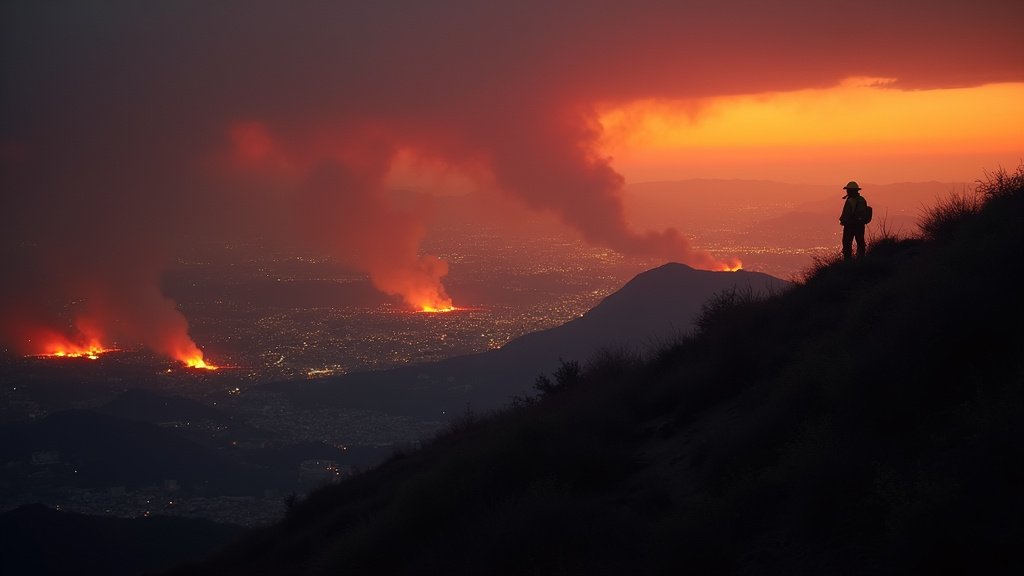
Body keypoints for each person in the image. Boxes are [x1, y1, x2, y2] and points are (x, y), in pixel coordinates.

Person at [839, 181, 869, 260]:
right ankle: (861, 259)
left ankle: (848, 261)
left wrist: (842, 220)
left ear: (851, 190)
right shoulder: (862, 199)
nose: (847, 191)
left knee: (847, 243)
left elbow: (846, 213)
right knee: (860, 242)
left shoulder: (850, 201)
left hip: (850, 225)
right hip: (860, 225)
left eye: (848, 190)